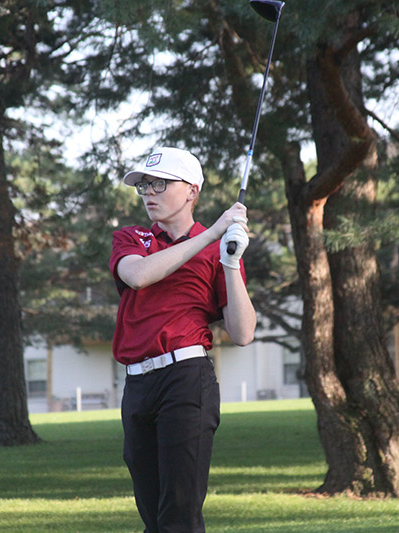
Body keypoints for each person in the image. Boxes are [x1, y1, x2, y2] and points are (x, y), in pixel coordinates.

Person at [110, 147, 256, 532]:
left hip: (186, 380)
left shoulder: (219, 250)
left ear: (192, 191)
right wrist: (211, 234)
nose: (148, 193)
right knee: (153, 516)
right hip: (138, 384)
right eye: (143, 185)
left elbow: (242, 333)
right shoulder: (132, 238)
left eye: (159, 184)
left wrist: (229, 261)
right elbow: (139, 275)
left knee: (179, 513)